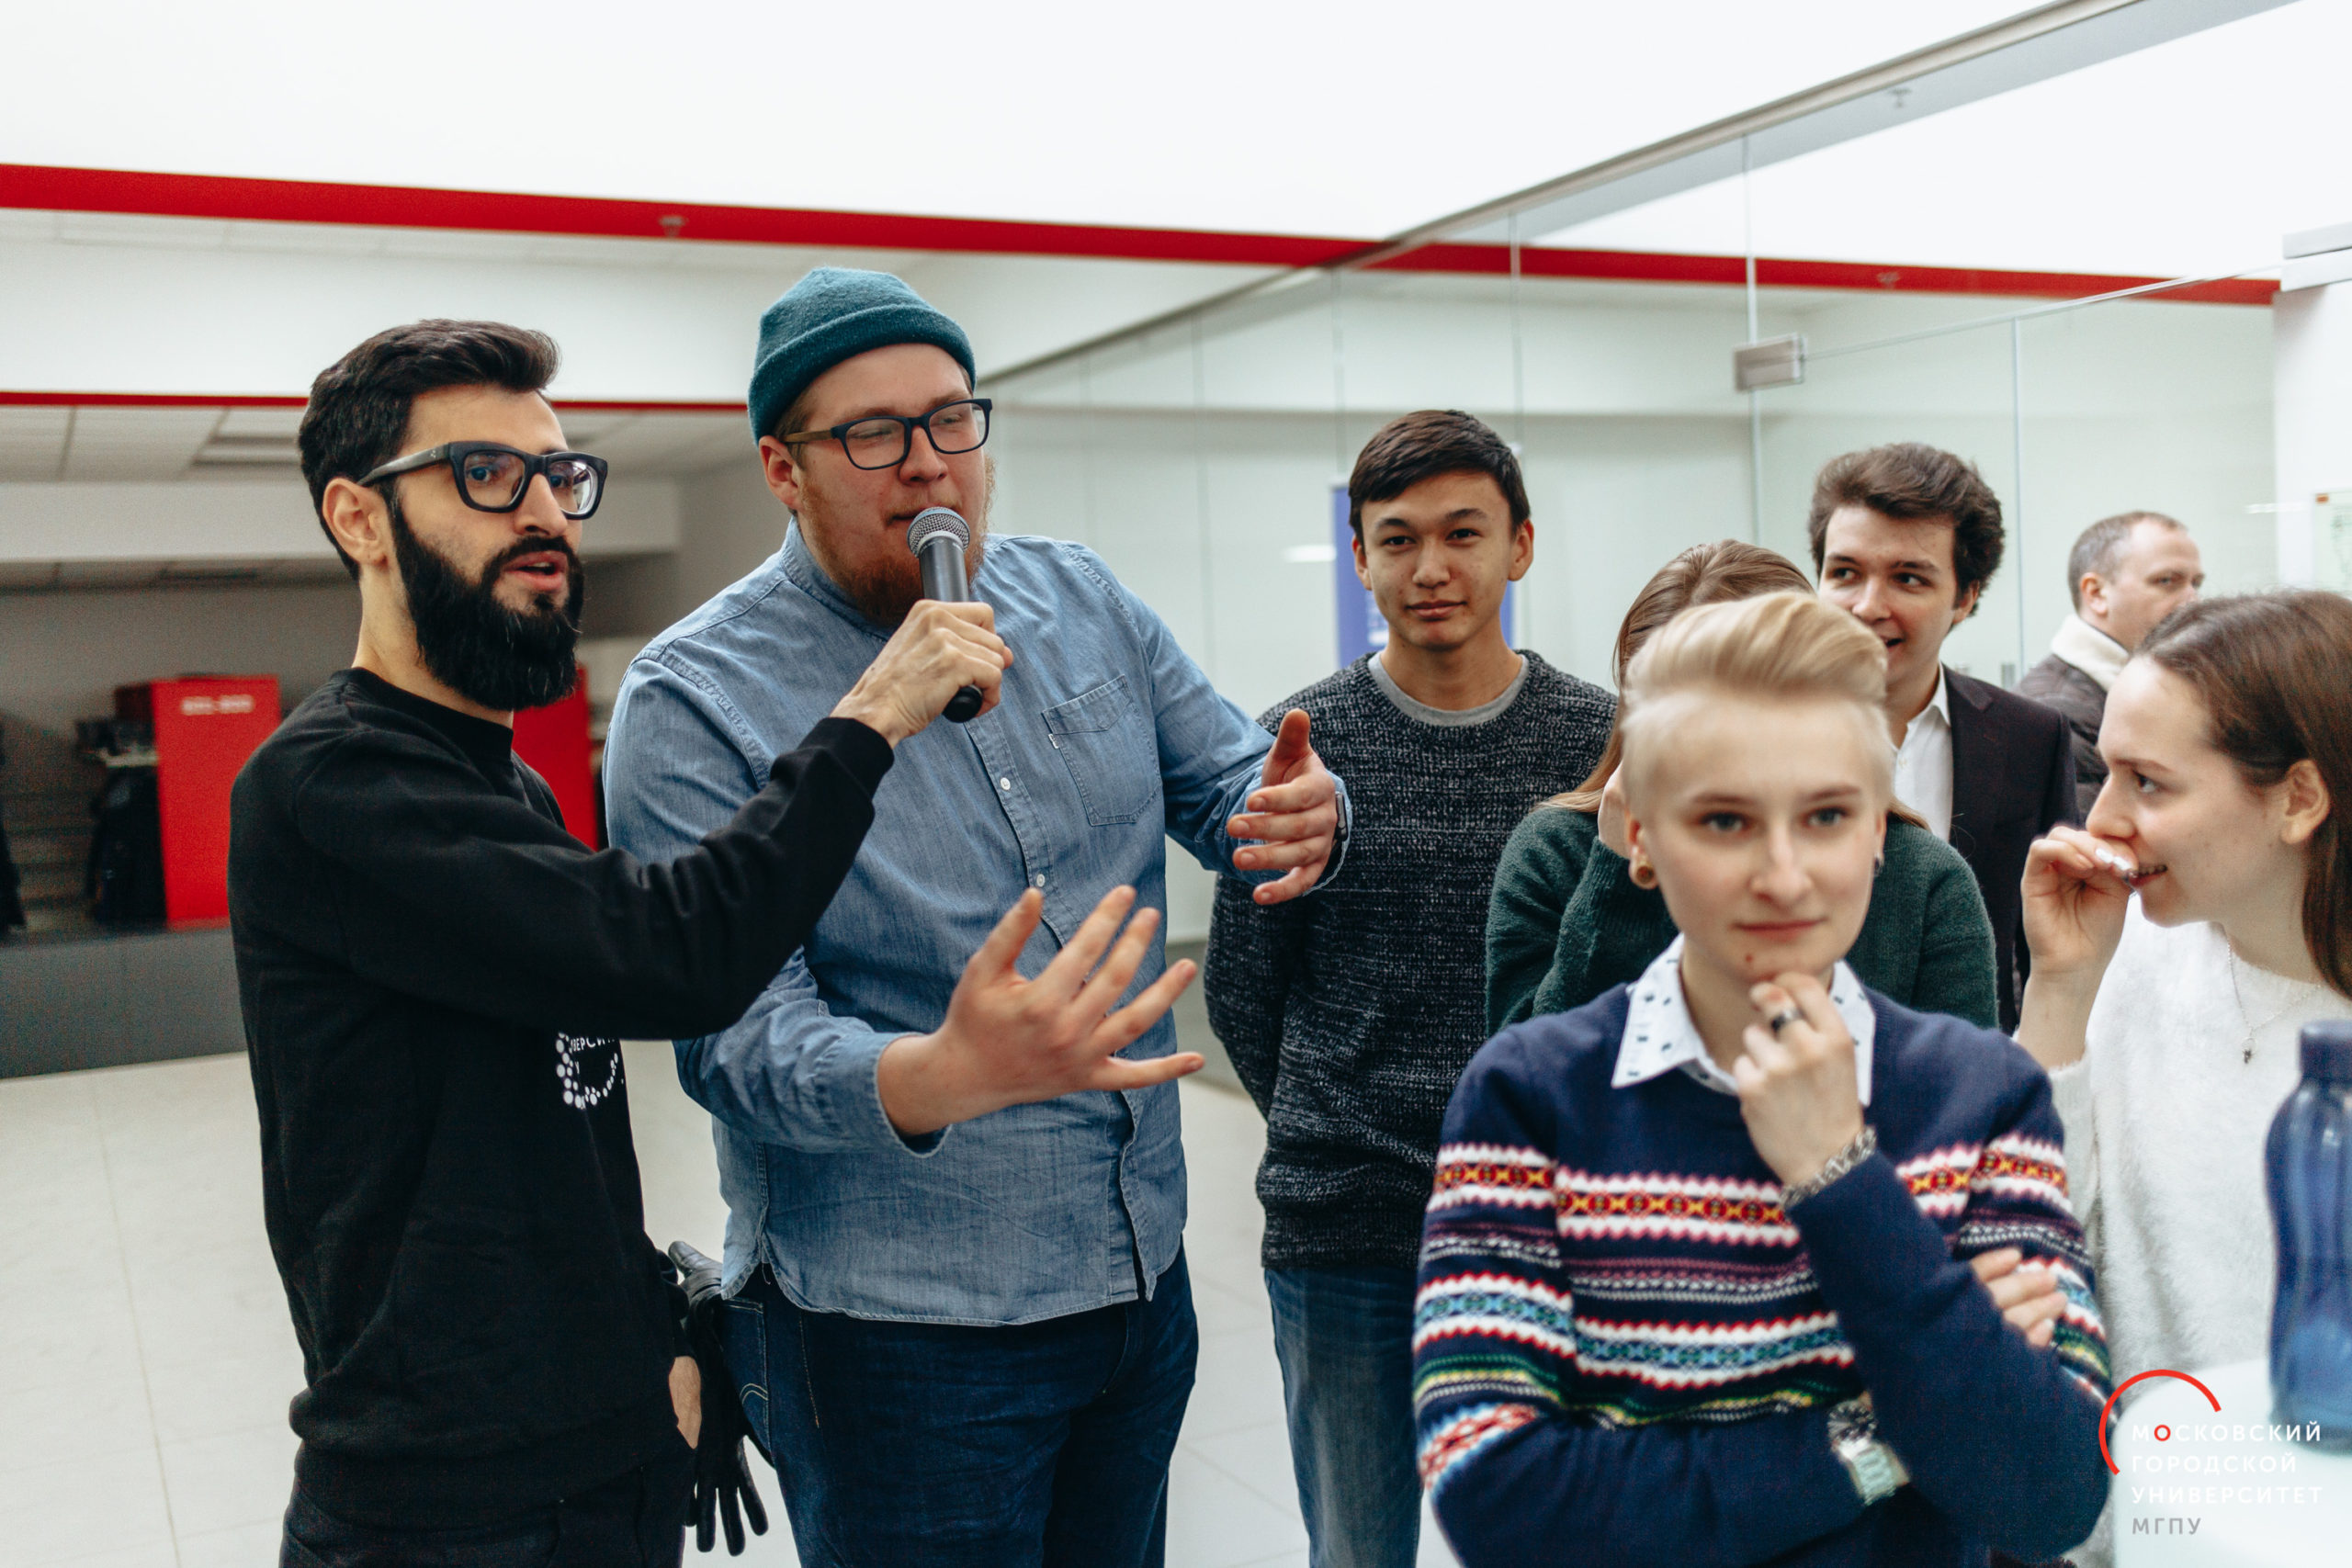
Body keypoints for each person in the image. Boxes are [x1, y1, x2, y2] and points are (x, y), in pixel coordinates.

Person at [235, 319, 1142, 1565]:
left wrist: (657, 1327)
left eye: (558, 475)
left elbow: (542, 1126)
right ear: (358, 518)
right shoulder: (330, 784)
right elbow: (672, 954)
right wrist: (872, 715)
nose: (542, 512)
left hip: (599, 1462)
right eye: (486, 475)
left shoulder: (506, 788)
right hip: (443, 1500)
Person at [602, 267, 1346, 1568]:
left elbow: (1233, 781)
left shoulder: (1082, 598)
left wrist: (1300, 813)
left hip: (1136, 1277)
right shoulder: (693, 697)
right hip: (897, 1336)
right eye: (872, 434)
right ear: (783, 470)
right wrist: (937, 1072)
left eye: (951, 418)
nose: (927, 461)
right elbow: (728, 1037)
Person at [1415, 592, 2110, 1568]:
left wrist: (1839, 1174)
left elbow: (2050, 1493)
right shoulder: (1531, 1096)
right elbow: (1500, 1502)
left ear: (1880, 829)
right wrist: (1885, 1433)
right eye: (1724, 821)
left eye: (1826, 815)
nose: (1783, 876)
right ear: (1639, 838)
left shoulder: (1983, 1092)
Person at [1202, 410, 1613, 1568]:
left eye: (1462, 533)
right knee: (1357, 1548)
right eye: (1398, 539)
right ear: (1361, 560)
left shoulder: (1602, 743)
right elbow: (1242, 989)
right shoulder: (1298, 744)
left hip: (1554, 1222)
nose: (1431, 567)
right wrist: (1336, 1119)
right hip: (1349, 1223)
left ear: (1519, 546)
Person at [2014, 591, 2351, 1567]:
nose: (2102, 819)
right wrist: (2061, 989)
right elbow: (2031, 1237)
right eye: (2106, 770)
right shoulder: (2135, 959)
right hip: (2142, 1530)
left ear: (2298, 799)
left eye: (2149, 783)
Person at [1487, 540, 1997, 1034]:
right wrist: (1618, 876)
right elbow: (1533, 1073)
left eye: (1825, 819)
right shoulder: (1555, 853)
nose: (1781, 881)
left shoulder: (1925, 879)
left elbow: (1960, 1080)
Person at [1810, 443, 2075, 1030]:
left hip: (1969, 1055)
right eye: (1845, 573)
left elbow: (2048, 946)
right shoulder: (1758, 736)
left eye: (1907, 578)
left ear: (1964, 597)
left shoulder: (2029, 737)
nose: (1867, 606)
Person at [2020, 511, 2204, 817]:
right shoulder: (2055, 714)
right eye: (2167, 581)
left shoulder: (2140, 689)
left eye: (2195, 583)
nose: (2192, 601)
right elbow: (2094, 839)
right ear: (2096, 594)